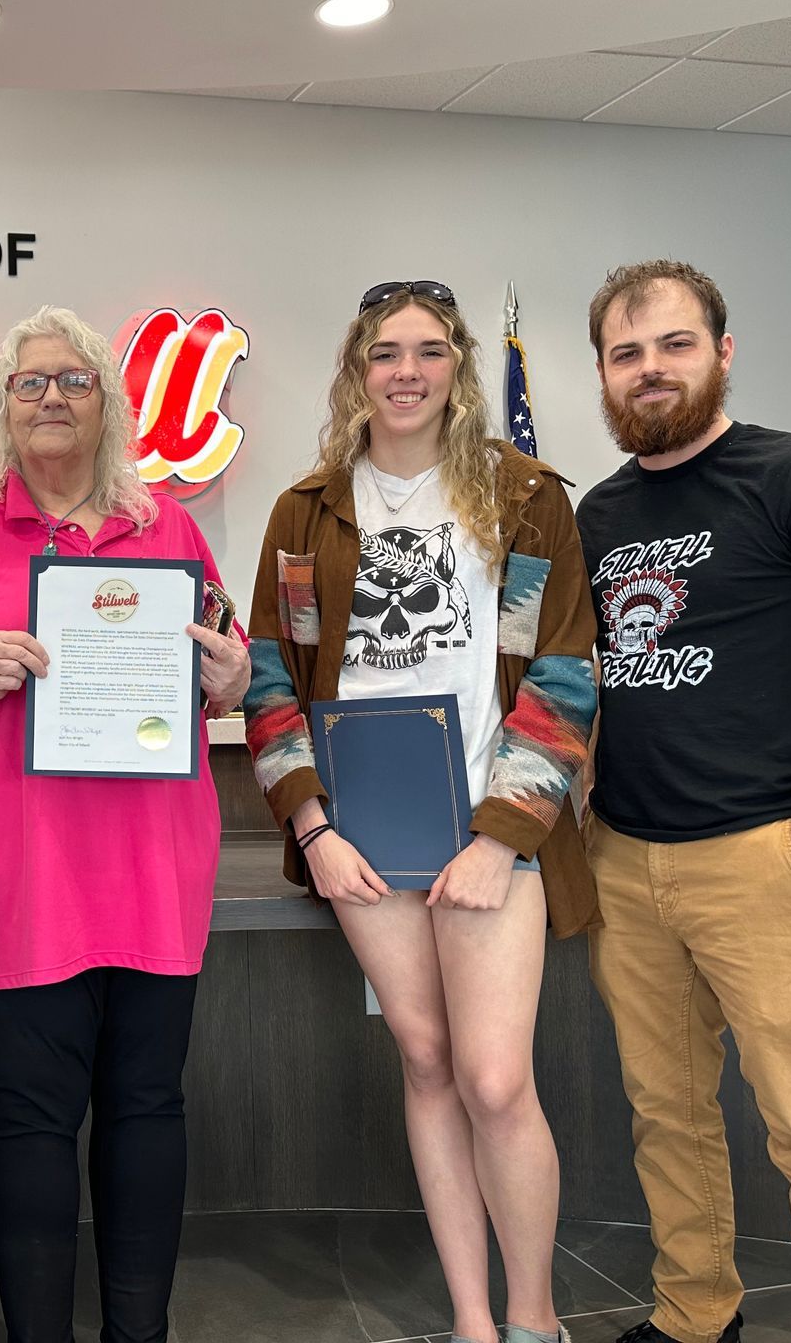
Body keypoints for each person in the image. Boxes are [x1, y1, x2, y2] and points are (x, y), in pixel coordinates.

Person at [0, 304, 250, 1343]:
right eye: (30, 382)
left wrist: (231, 675)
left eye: (73, 381)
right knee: (32, 1123)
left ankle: (142, 1333)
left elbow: (227, 670)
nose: (50, 397)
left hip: (151, 871)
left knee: (148, 1111)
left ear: (109, 403)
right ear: (1, 407)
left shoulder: (167, 526)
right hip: (19, 875)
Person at [577, 260, 791, 1343]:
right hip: (628, 865)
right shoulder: (598, 511)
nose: (650, 371)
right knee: (666, 1118)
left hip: (767, 860)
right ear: (603, 372)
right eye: (627, 353)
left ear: (722, 354)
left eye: (674, 345)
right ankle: (694, 1316)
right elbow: (587, 676)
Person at [242, 280, 599, 1343]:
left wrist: (501, 840)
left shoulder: (524, 498)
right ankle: (472, 1323)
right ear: (357, 368)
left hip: (497, 824)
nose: (407, 372)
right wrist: (315, 829)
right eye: (385, 352)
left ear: (460, 367)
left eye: (429, 352)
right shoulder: (310, 513)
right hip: (363, 834)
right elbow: (279, 677)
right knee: (429, 1059)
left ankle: (534, 1321)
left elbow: (561, 675)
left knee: (495, 1078)